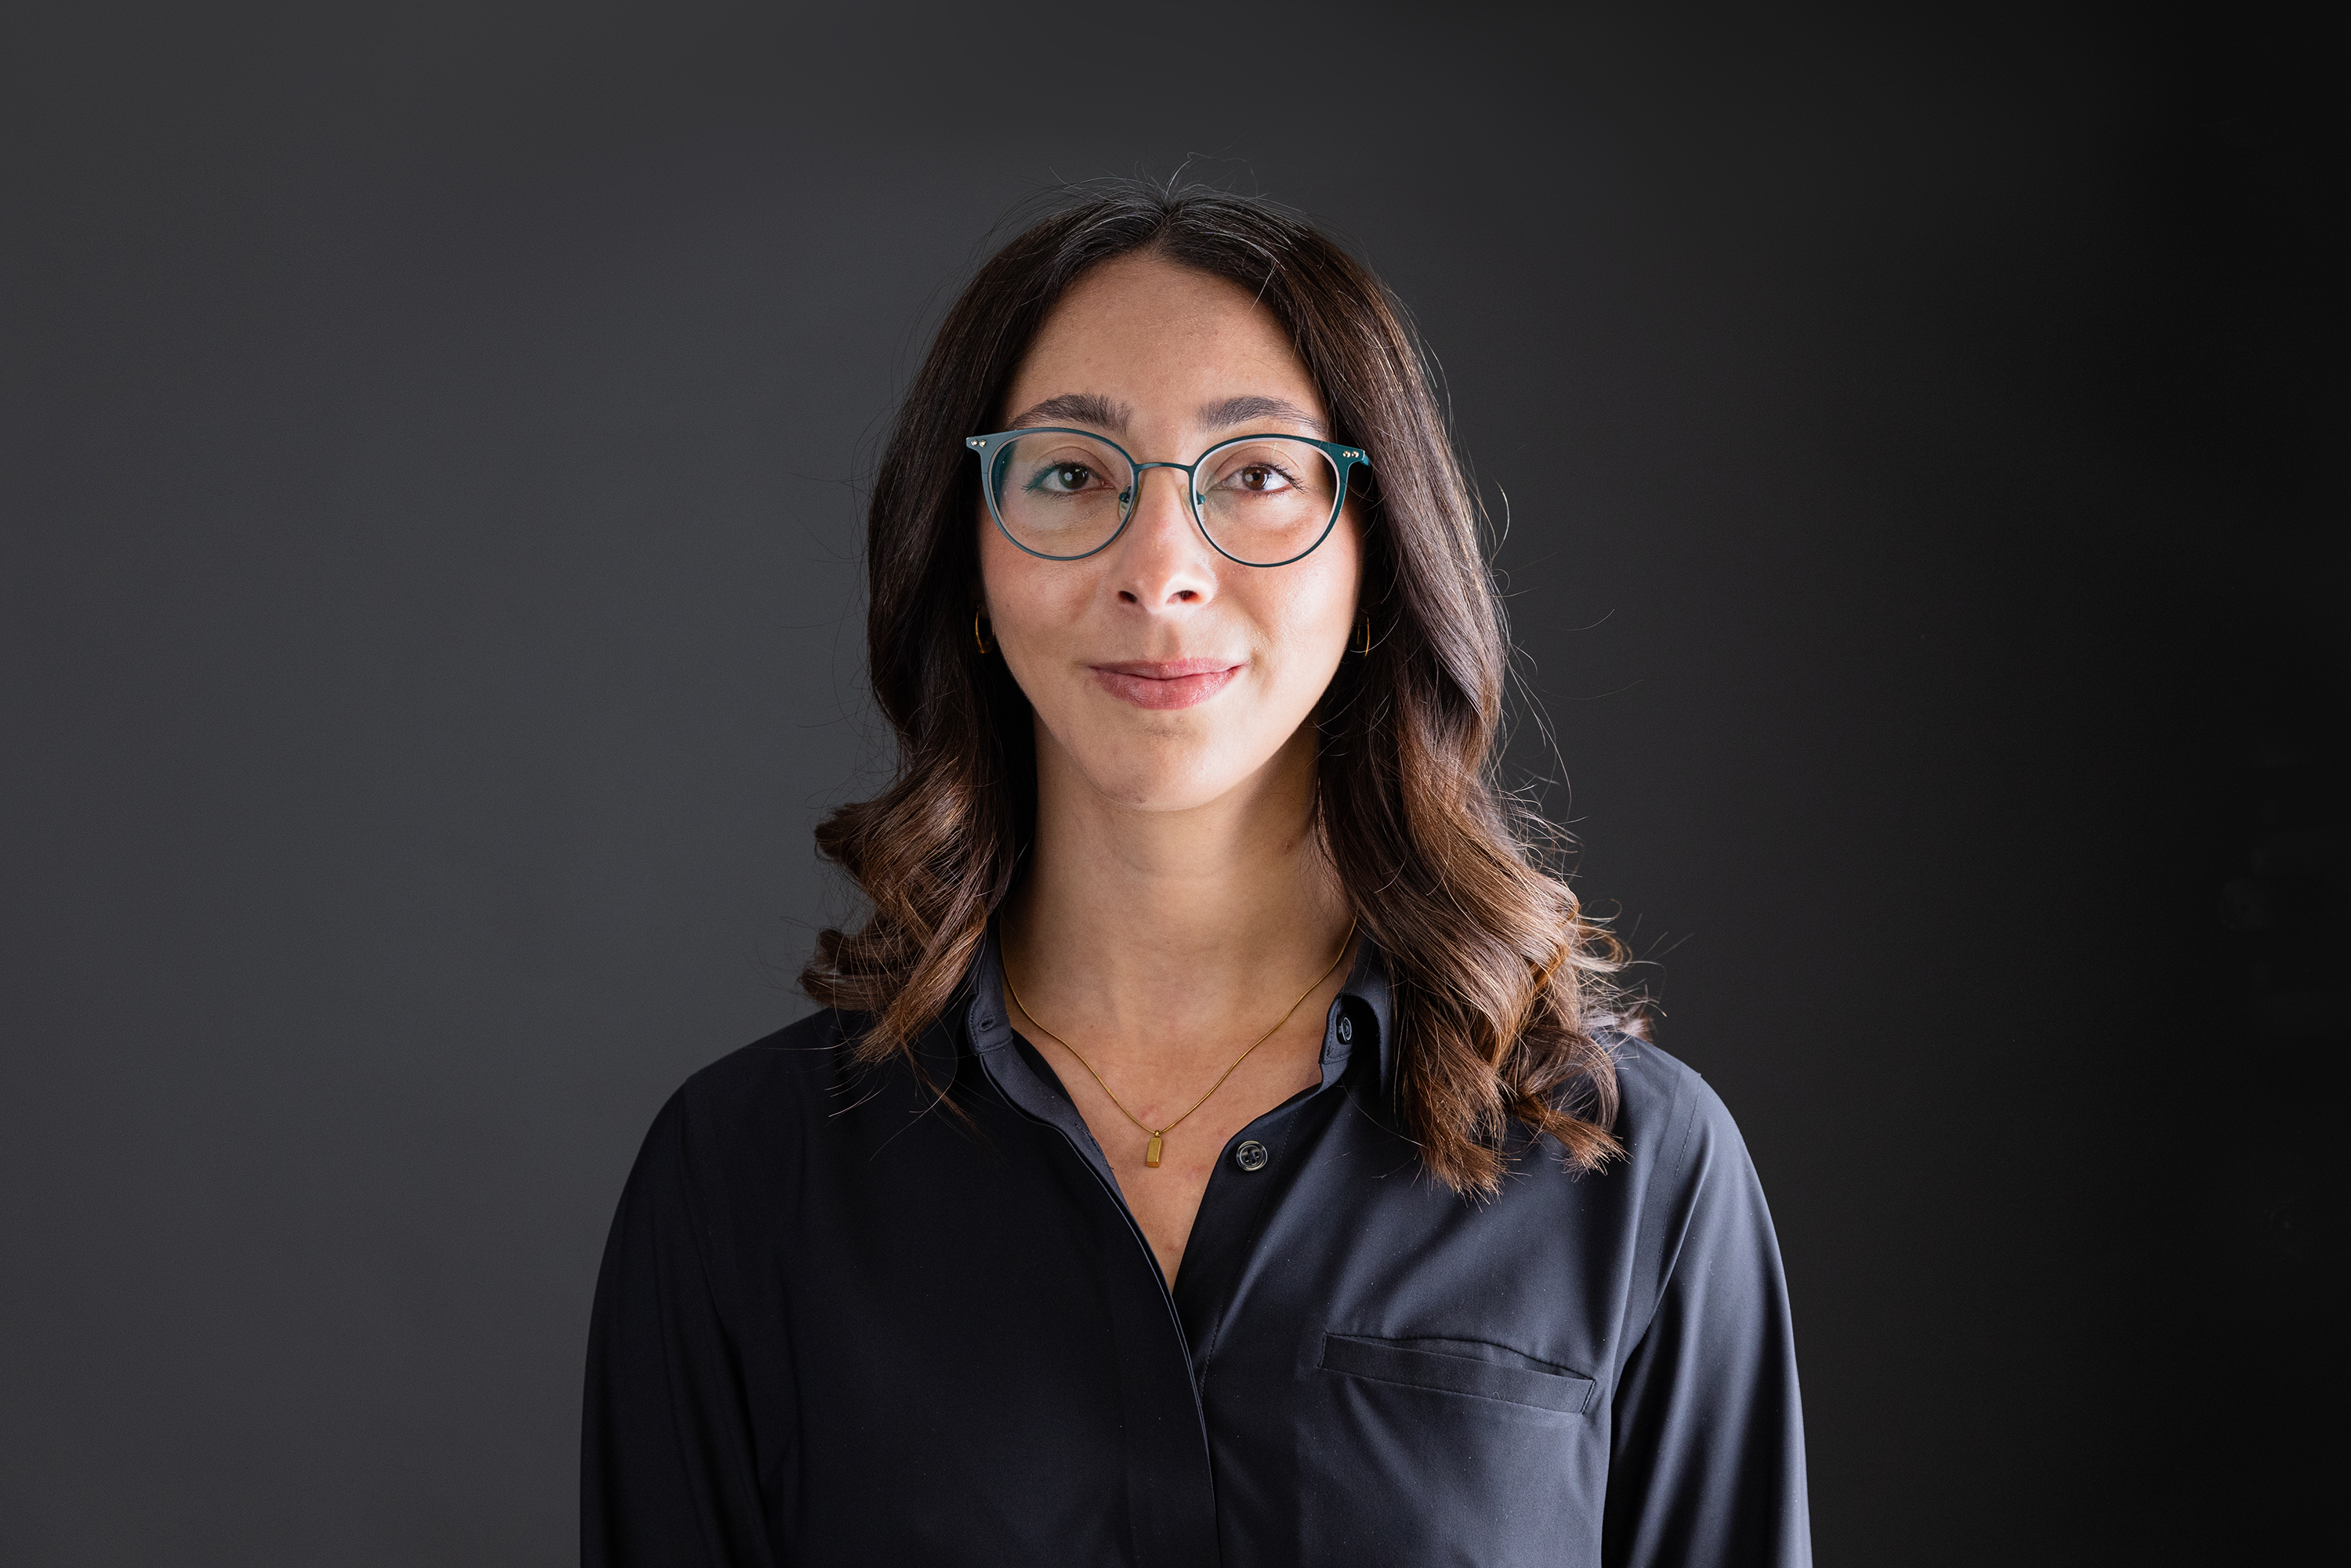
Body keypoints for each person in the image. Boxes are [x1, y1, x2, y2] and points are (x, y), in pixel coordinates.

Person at [581, 183, 1809, 1567]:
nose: (1161, 567)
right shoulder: (745, 1178)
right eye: (1069, 475)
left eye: (1258, 474)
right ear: (969, 566)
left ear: (1375, 557)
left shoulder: (1632, 1169)